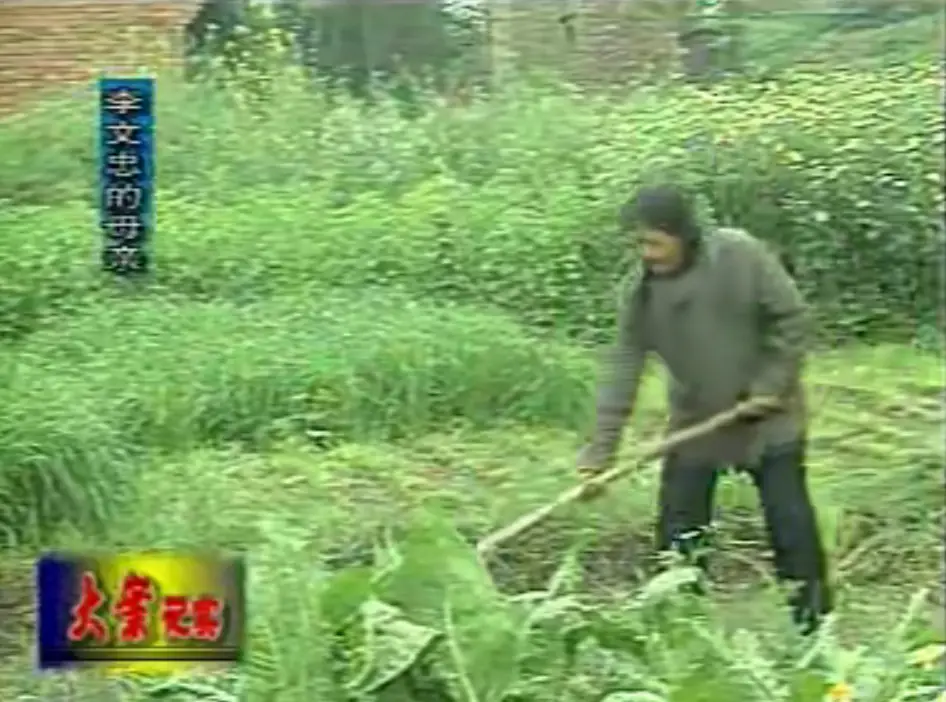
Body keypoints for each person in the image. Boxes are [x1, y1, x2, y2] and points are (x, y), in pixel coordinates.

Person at [577, 183, 832, 635]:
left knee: (790, 525)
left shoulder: (741, 256)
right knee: (679, 535)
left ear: (684, 235)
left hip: (770, 419)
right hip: (698, 424)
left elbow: (793, 319)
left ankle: (814, 631)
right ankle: (681, 632)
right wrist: (599, 454)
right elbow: (623, 370)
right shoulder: (640, 295)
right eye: (638, 243)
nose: (646, 254)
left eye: (654, 242)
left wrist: (770, 386)